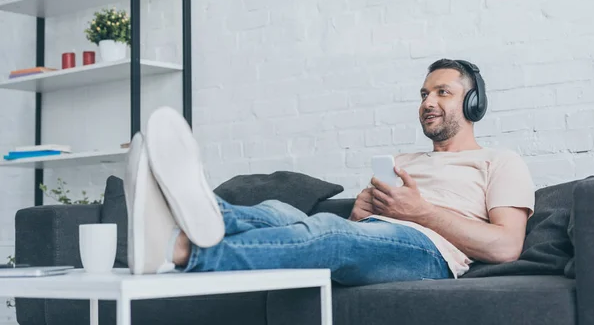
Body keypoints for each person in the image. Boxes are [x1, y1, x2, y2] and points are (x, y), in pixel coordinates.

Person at [124, 58, 535, 285]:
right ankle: (175, 208)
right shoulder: (404, 161)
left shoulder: (499, 161)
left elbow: (504, 247)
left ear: (473, 103)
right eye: (424, 93)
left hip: (431, 254)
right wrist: (362, 210)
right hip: (377, 235)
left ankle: (177, 250)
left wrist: (420, 212)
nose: (428, 101)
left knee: (328, 233)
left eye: (443, 92)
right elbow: (361, 229)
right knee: (278, 212)